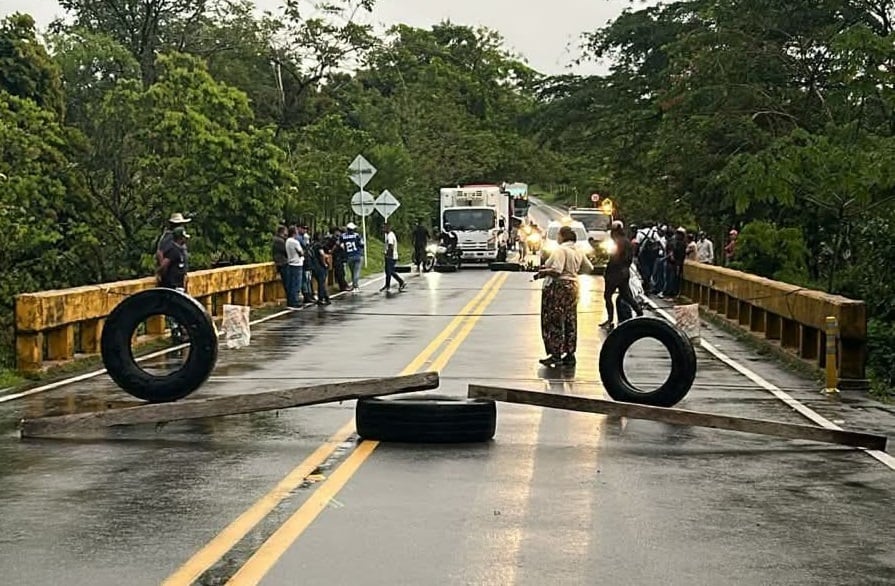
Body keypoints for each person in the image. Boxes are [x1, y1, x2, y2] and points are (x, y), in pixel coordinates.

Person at [534, 225, 593, 367]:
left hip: (559, 287)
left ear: (562, 236)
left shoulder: (561, 250)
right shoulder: (578, 251)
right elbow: (589, 268)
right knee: (570, 319)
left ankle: (556, 354)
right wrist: (573, 272)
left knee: (555, 320)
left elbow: (557, 270)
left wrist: (543, 272)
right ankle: (570, 353)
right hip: (573, 286)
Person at [601, 221, 644, 329]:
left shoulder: (617, 242)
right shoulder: (627, 241)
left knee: (608, 296)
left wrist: (608, 267)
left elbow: (615, 258)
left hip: (615, 273)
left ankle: (610, 320)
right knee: (626, 295)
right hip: (625, 272)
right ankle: (639, 312)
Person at [380, 223, 406, 292]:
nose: (382, 229)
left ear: (387, 228)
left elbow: (391, 246)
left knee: (390, 271)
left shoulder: (390, 236)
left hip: (391, 256)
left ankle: (401, 281)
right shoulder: (389, 235)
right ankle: (387, 285)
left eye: (383, 228)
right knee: (388, 271)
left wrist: (388, 255)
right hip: (391, 255)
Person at [284, 226, 305, 308]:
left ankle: (290, 301)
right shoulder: (295, 242)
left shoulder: (287, 241)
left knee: (291, 284)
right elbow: (301, 252)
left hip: (290, 263)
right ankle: (295, 301)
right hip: (297, 264)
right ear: (294, 232)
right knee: (296, 284)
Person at [340, 222, 364, 290]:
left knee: (352, 272)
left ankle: (354, 285)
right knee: (356, 271)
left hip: (349, 256)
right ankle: (355, 286)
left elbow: (340, 245)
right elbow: (362, 244)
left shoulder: (342, 236)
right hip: (357, 255)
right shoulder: (357, 235)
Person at [272, 225, 288, 297]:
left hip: (279, 261)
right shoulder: (280, 241)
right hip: (281, 262)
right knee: (287, 281)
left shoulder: (277, 239)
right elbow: (285, 251)